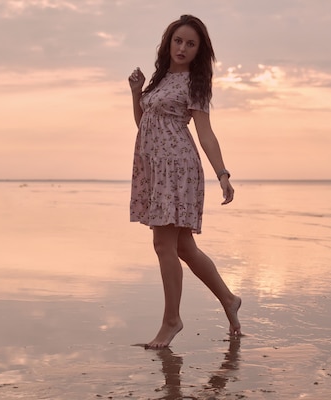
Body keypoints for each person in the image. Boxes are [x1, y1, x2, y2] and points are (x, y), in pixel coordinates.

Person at [128, 14, 242, 349]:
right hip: (154, 167)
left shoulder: (195, 84)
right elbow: (144, 123)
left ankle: (171, 321)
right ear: (169, 43)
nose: (182, 48)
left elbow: (205, 133)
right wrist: (136, 92)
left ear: (198, 50)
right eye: (178, 41)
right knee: (182, 247)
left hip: (177, 167)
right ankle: (229, 299)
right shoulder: (159, 80)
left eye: (190, 44)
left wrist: (222, 173)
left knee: (164, 245)